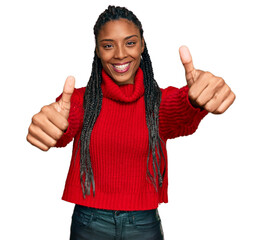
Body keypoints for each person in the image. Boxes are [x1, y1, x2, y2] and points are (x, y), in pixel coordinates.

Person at [26, 5, 235, 240]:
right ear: (97, 50)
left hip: (143, 224)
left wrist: (198, 98)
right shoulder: (79, 101)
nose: (119, 54)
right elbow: (65, 122)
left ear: (142, 45)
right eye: (108, 45)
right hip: (89, 222)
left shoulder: (158, 103)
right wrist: (52, 126)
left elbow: (183, 109)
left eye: (130, 42)